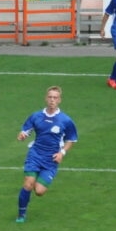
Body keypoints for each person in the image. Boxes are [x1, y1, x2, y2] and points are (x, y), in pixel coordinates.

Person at [14, 85, 78, 223]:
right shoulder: (36, 116)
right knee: (27, 184)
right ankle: (21, 215)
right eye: (50, 97)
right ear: (45, 98)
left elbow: (71, 139)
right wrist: (22, 135)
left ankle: (38, 181)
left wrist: (62, 152)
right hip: (35, 154)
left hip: (51, 160)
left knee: (39, 191)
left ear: (59, 100)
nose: (52, 100)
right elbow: (26, 130)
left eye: (55, 98)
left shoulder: (65, 120)